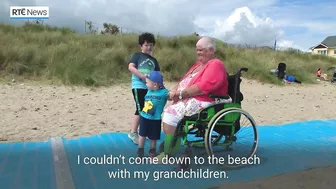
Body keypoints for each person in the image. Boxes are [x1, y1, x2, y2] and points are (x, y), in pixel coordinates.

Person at [156, 36, 229, 160]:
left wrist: (180, 95)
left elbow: (203, 86)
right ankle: (172, 143)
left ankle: (169, 151)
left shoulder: (216, 64)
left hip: (207, 99)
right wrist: (174, 90)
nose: (198, 52)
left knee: (171, 113)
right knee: (169, 109)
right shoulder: (198, 65)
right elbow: (184, 80)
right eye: (197, 50)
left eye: (201, 50)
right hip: (192, 97)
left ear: (211, 50)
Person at [128, 33, 160, 145]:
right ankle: (133, 132)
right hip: (139, 86)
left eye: (151, 45)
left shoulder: (154, 60)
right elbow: (131, 67)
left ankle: (144, 132)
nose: (149, 47)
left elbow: (157, 74)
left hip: (150, 89)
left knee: (149, 109)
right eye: (146, 45)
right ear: (141, 46)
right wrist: (142, 76)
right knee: (140, 108)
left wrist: (158, 86)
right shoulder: (137, 56)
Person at [137, 71, 170, 158]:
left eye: (147, 83)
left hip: (155, 119)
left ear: (155, 84)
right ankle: (140, 151)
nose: (146, 84)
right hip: (144, 117)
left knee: (153, 137)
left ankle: (152, 151)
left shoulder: (164, 92)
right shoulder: (149, 91)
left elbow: (171, 96)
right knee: (142, 134)